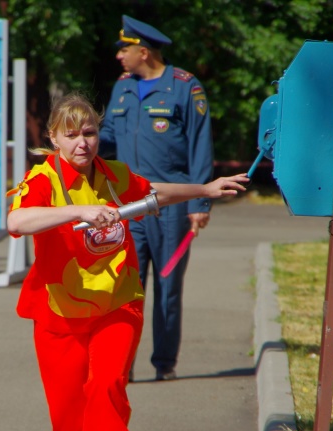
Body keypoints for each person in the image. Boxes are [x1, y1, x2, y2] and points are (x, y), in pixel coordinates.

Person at [7, 92, 247, 431]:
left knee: (108, 383)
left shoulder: (114, 174)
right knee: (66, 417)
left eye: (90, 132)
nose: (83, 142)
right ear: (53, 138)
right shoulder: (44, 178)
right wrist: (77, 211)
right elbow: (17, 221)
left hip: (118, 304)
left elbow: (154, 193)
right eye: (72, 135)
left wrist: (205, 189)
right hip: (59, 312)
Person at [99, 15, 214, 381]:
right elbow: (108, 138)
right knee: (125, 290)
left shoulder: (185, 88)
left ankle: (164, 364)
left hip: (171, 206)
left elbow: (200, 148)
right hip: (129, 207)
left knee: (167, 288)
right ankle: (123, 366)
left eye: (124, 50)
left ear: (143, 52)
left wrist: (198, 206)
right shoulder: (122, 87)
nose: (119, 57)